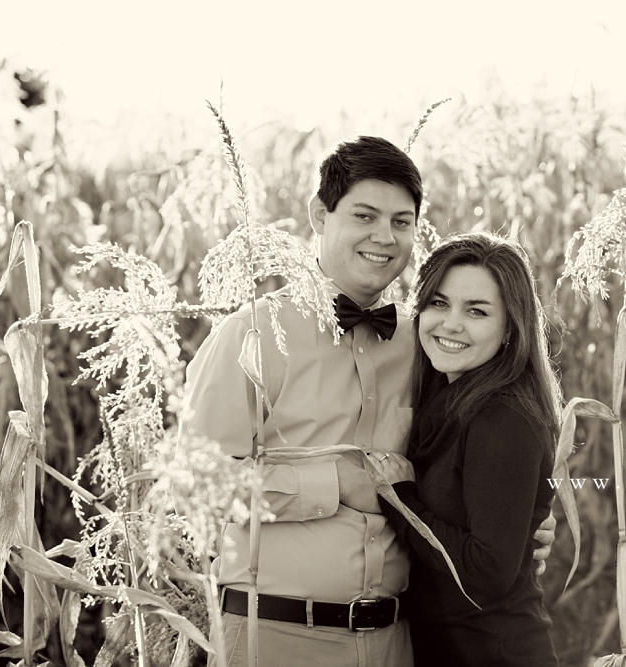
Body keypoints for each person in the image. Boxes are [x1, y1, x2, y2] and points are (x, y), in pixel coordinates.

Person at [180, 136, 553, 667]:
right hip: (275, 636)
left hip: (398, 641)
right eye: (365, 215)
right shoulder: (253, 335)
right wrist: (333, 485)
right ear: (319, 214)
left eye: (402, 222)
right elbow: (194, 488)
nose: (385, 236)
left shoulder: (426, 341)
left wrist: (518, 521)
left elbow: (472, 460)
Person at [367, 233, 561, 666]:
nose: (451, 324)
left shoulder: (502, 417)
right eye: (438, 303)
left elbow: (487, 571)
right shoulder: (449, 400)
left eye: (476, 311)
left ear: (511, 326)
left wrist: (401, 499)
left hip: (493, 653)